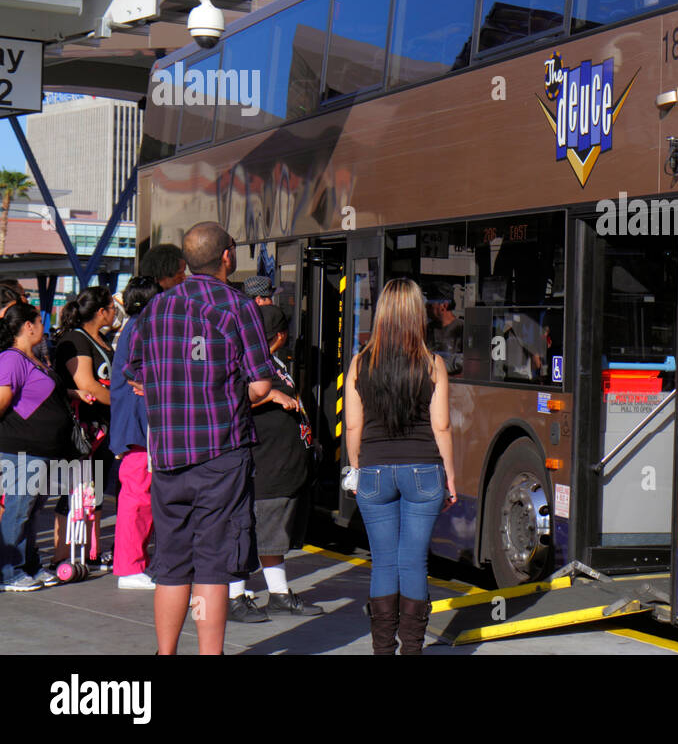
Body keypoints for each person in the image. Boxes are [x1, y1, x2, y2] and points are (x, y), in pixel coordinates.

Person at [123, 222, 279, 655]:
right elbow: (262, 384)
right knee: (212, 564)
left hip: (169, 454)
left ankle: (165, 652)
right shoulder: (237, 307)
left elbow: (135, 373)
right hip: (221, 452)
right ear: (228, 256)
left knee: (171, 564)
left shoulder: (155, 309)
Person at [344, 277, 456, 655]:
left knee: (383, 564)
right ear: (416, 315)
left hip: (374, 471)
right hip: (423, 472)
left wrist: (357, 468)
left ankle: (382, 650)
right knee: (413, 562)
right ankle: (412, 649)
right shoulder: (432, 363)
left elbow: (354, 425)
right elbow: (441, 425)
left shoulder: (360, 363)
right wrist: (450, 477)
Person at [228, 302, 323, 621]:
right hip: (264, 468)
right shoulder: (247, 366)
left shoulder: (273, 362)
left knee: (273, 535)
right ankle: (234, 596)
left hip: (281, 469)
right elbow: (231, 399)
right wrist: (270, 396)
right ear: (281, 335)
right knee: (250, 533)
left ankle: (279, 594)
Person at [0, 302, 74, 591]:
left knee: (30, 511)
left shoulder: (34, 359)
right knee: (19, 509)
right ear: (28, 326)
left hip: (40, 450)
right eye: (39, 321)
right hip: (22, 449)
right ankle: (9, 572)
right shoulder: (11, 360)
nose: (44, 327)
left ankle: (29, 565)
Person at [53, 286, 118, 571]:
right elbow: (86, 384)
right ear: (100, 311)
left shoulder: (102, 339)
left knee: (96, 489)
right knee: (74, 490)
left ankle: (94, 550)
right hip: (82, 428)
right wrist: (122, 403)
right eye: (112, 307)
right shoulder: (75, 339)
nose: (116, 311)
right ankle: (60, 554)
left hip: (103, 427)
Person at [109, 276, 162, 590]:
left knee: (137, 494)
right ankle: (129, 567)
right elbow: (137, 369)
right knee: (138, 496)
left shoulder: (132, 324)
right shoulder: (142, 326)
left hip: (134, 424)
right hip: (139, 425)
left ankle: (132, 564)